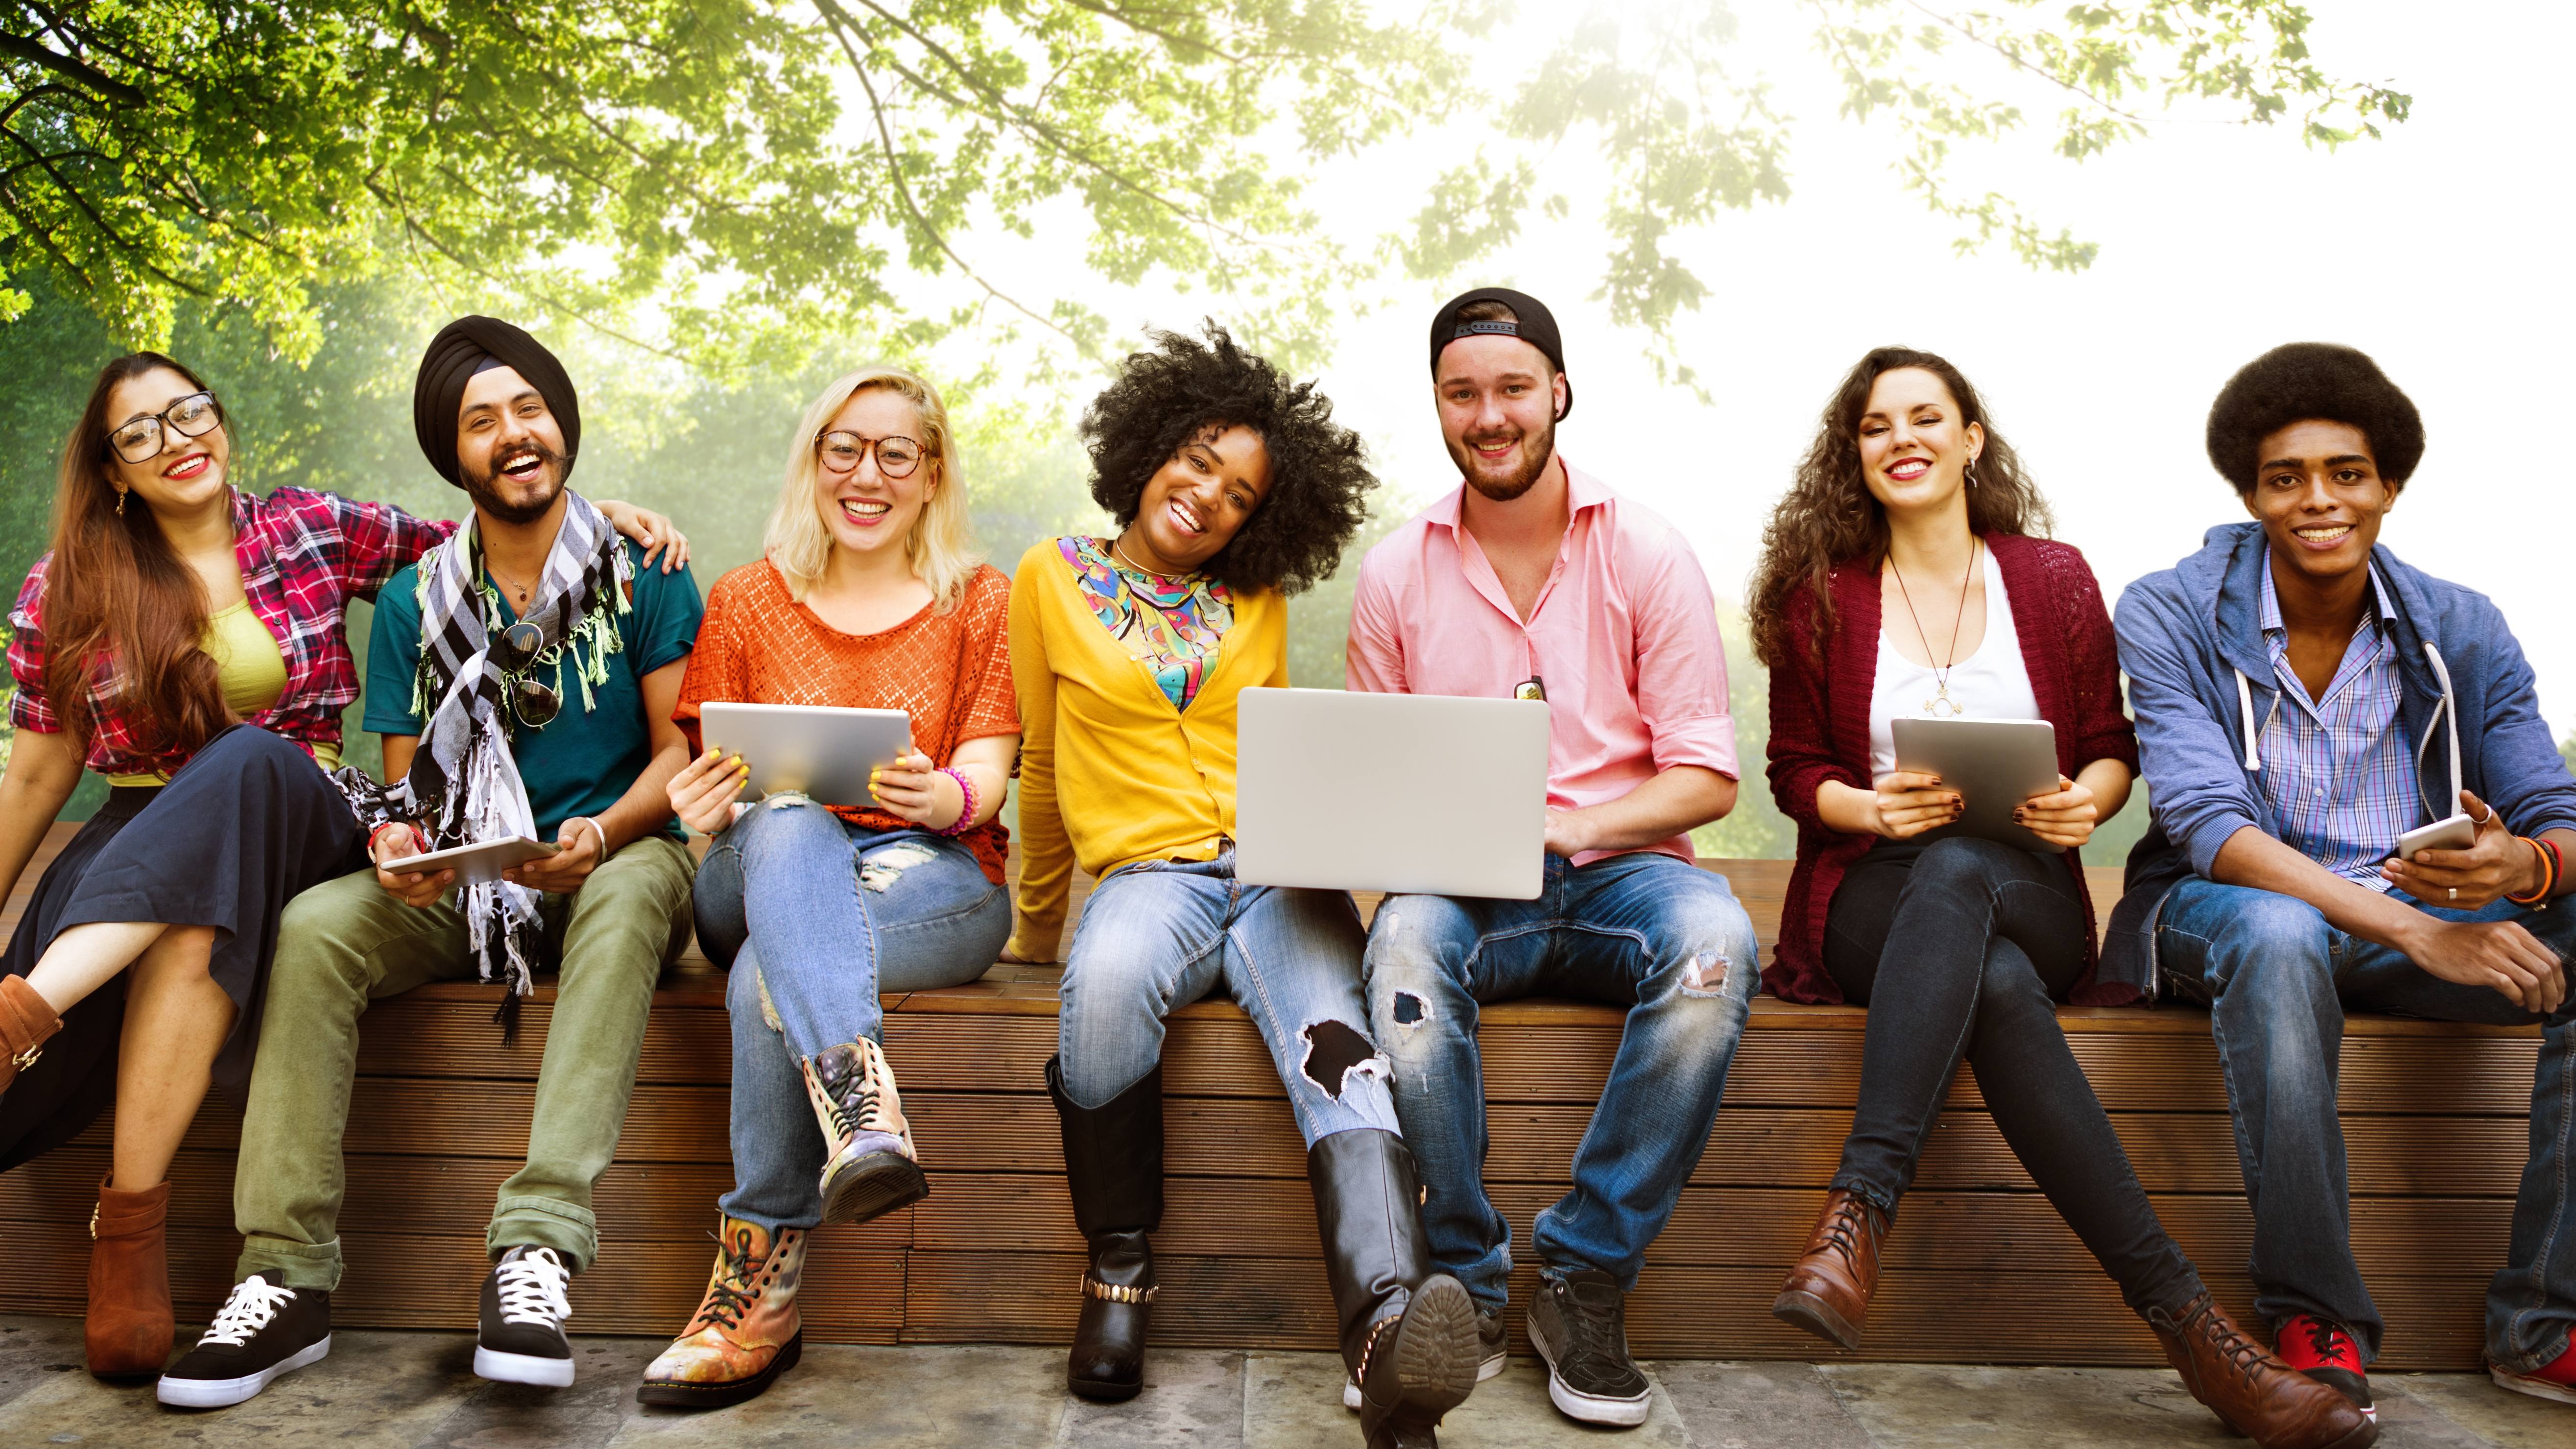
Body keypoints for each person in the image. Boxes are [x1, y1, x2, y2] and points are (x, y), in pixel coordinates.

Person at [0, 351, 679, 1380]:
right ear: (109, 470)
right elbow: (34, 779)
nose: (176, 440)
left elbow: (477, 537)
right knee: (202, 910)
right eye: (140, 432)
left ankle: (22, 1016)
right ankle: (141, 1234)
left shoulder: (308, 527)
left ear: (219, 420)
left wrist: (600, 512)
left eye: (190, 412)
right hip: (150, 844)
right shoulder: (71, 585)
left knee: (248, 757)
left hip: (308, 805)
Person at [1751, 347, 2375, 1449]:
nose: (1900, 438)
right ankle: (2198, 1338)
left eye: (1925, 417)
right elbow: (1794, 768)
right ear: (1852, 454)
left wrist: (2084, 804)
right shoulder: (1822, 592)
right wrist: (1866, 807)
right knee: (1966, 937)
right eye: (1874, 425)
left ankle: (1857, 1211)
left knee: (1973, 894)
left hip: (2028, 884)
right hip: (1871, 895)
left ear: (1969, 439)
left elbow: (2107, 745)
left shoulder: (2048, 577)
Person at [1009, 324, 1479, 1449]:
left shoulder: (1253, 602)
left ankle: (1385, 1330)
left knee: (1340, 1047)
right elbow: (1036, 761)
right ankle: (1118, 1277)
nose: (1207, 497)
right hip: (1148, 876)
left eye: (1238, 492)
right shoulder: (1050, 576)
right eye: (1196, 461)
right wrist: (1033, 926)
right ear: (1151, 447)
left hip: (1274, 876)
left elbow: (1283, 750)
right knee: (1108, 978)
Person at [2112, 342, 2576, 1415]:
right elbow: (2205, 825)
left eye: (2346, 473)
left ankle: (2541, 1321)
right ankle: (2312, 1311)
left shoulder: (2459, 624)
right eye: (2286, 478)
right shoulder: (2168, 608)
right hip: (2217, 912)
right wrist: (2418, 933)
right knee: (2277, 933)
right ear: (2248, 493)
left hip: (2403, 918)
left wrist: (2522, 865)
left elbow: (2554, 814)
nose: (2317, 500)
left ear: (2389, 486)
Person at [1346, 288, 1759, 1431]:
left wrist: (1573, 825)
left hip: (1624, 872)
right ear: (1437, 404)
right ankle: (1463, 1285)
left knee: (1717, 940)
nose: (1489, 415)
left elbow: (1706, 779)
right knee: (1405, 944)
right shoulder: (1394, 573)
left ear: (1558, 393)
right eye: (1462, 392)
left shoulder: (1647, 551)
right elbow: (1379, 779)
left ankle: (1583, 1277)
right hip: (1472, 890)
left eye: (1512, 389)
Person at [637, 364, 1019, 1407]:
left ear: (932, 473)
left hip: (928, 879)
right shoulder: (747, 596)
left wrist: (940, 795)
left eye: (896, 453)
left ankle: (754, 1289)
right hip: (752, 868)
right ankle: (860, 1111)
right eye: (843, 448)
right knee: (789, 814)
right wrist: (702, 804)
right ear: (813, 462)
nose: (867, 473)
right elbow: (697, 773)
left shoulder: (978, 599)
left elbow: (985, 774)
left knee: (779, 962)